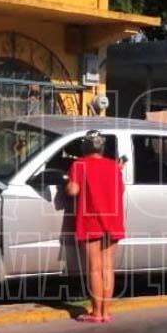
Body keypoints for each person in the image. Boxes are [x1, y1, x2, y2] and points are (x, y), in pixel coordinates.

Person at [66, 130, 125, 323]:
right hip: (113, 220)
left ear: (85, 147)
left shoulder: (79, 165)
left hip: (91, 221)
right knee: (108, 267)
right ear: (102, 147)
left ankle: (96, 313)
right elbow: (120, 189)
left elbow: (73, 191)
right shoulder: (114, 167)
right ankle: (106, 313)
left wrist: (67, 183)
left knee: (94, 268)